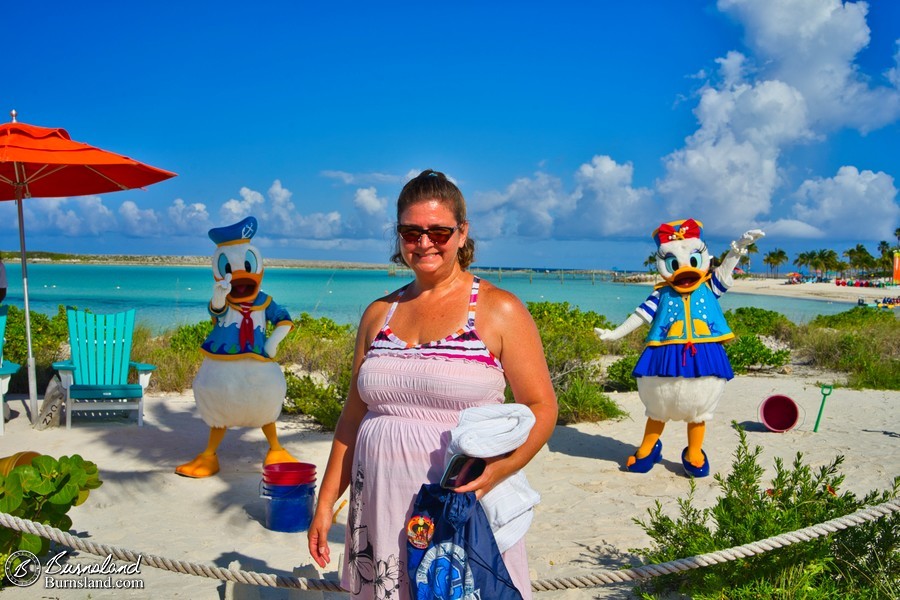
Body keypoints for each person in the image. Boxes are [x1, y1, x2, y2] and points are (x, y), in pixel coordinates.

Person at [307, 169, 557, 599]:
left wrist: (503, 469)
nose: (424, 242)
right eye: (411, 231)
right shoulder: (377, 314)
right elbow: (353, 415)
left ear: (462, 233)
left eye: (438, 231)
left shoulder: (499, 310)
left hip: (457, 506)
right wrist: (327, 500)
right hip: (379, 506)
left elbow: (541, 406)